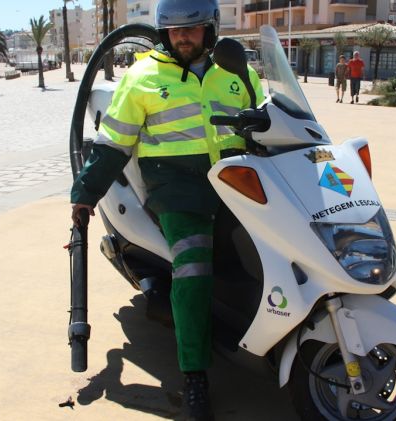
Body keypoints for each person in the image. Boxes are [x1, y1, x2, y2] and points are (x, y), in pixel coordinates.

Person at [69, 0, 263, 418]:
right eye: (175, 31)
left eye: (192, 30)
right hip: (178, 190)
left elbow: (269, 119)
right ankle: (195, 377)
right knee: (193, 270)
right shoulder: (141, 77)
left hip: (238, 183)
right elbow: (113, 142)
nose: (183, 37)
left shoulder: (236, 72)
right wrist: (85, 192)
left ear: (210, 31)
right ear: (164, 33)